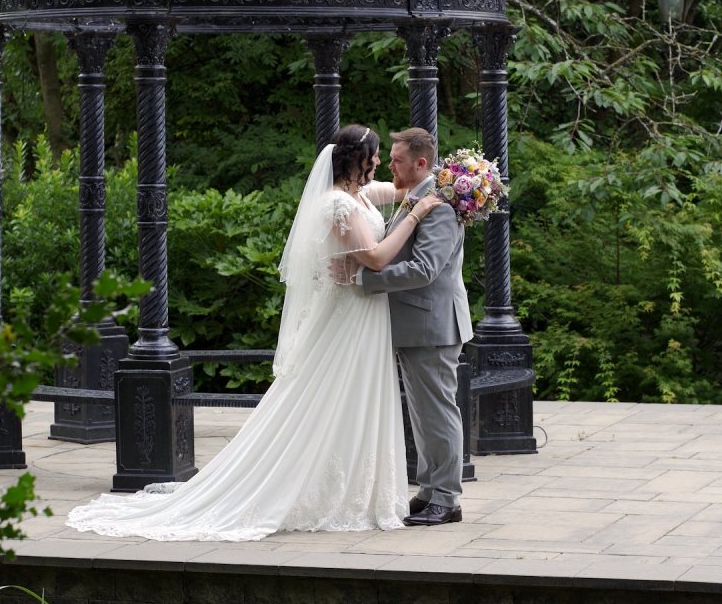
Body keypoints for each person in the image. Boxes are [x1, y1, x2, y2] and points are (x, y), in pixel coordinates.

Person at [65, 124, 441, 541]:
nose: (381, 164)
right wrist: (417, 215)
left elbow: (402, 190)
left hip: (364, 314)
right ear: (359, 160)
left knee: (356, 395)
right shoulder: (338, 204)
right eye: (375, 157)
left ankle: (358, 488)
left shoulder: (359, 196)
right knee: (327, 395)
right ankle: (311, 488)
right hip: (348, 316)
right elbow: (374, 258)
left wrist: (456, 182)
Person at [335, 127, 471, 527]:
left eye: (395, 160)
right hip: (416, 325)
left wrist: (362, 280)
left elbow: (425, 269)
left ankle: (447, 498)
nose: (387, 165)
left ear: (420, 163)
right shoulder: (412, 198)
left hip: (433, 325)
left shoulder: (440, 207)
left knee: (438, 413)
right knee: (424, 414)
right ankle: (430, 491)